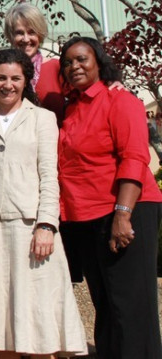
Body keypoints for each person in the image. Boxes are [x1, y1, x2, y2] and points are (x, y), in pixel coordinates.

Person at [0, 49, 87, 358]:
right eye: (1, 78)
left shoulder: (42, 119)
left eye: (16, 78)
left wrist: (47, 224)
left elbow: (49, 174)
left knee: (39, 313)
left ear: (26, 81)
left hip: (32, 230)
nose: (8, 85)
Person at [58, 37, 162, 358]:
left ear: (99, 63)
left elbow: (133, 157)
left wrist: (122, 213)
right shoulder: (71, 107)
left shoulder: (120, 100)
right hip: (87, 218)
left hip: (125, 209)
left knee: (131, 308)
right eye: (68, 62)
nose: (74, 66)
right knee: (106, 305)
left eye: (82, 59)